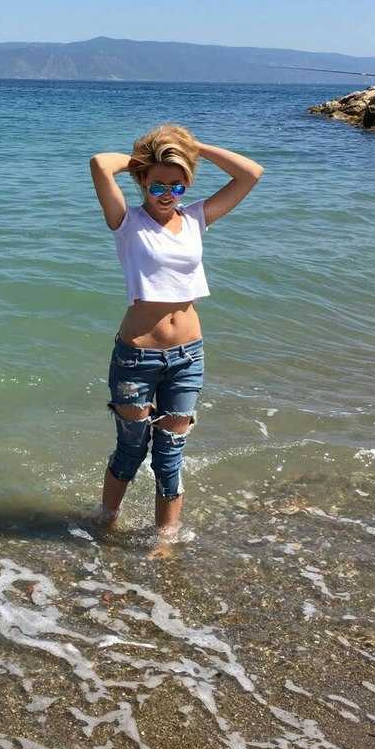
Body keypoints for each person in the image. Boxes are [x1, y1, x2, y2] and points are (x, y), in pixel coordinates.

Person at [89, 124, 264, 556]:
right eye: (158, 186)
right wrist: (146, 160)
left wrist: (193, 148)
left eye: (177, 186)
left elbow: (250, 173)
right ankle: (104, 524)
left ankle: (164, 544)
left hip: (188, 357)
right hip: (136, 357)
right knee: (131, 450)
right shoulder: (126, 222)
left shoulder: (195, 219)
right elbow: (99, 164)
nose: (167, 194)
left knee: (170, 454)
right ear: (143, 182)